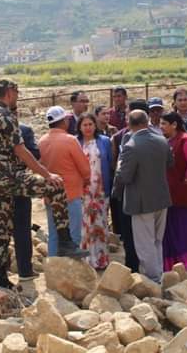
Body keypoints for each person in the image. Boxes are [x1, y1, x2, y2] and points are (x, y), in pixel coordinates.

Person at [0, 79, 87, 289]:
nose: (18, 96)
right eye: (17, 92)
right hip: (10, 175)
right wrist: (46, 174)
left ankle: (0, 277)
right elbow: (21, 151)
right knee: (56, 186)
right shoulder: (6, 116)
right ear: (10, 92)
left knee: (1, 227)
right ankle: (65, 241)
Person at [113, 110, 173, 282]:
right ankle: (159, 274)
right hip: (161, 197)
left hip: (141, 201)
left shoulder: (131, 146)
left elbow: (124, 177)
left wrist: (119, 167)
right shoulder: (162, 140)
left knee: (145, 243)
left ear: (129, 124)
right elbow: (170, 163)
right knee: (157, 240)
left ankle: (153, 278)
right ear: (147, 122)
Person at [0, 123, 41, 280]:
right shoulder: (24, 130)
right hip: (18, 184)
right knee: (22, 227)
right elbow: (35, 154)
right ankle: (25, 271)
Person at [39, 106, 91, 256]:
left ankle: (53, 269)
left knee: (54, 234)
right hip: (71, 193)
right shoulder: (70, 140)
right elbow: (85, 168)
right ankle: (70, 272)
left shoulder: (42, 141)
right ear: (64, 121)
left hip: (50, 194)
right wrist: (86, 180)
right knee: (72, 235)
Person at [160, 112, 187, 271]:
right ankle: (172, 264)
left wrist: (185, 181)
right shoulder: (167, 142)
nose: (161, 127)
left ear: (174, 125)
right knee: (172, 230)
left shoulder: (186, 140)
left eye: (164, 124)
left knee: (186, 229)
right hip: (171, 196)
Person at [109, 98, 149, 272]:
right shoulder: (119, 137)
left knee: (137, 231)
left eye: (128, 114)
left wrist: (116, 191)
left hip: (130, 191)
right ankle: (137, 264)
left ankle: (137, 265)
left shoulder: (126, 138)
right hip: (145, 192)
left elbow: (120, 167)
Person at [77, 113, 113, 269]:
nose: (88, 127)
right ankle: (87, 260)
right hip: (82, 191)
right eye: (84, 125)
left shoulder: (104, 141)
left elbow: (111, 163)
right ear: (79, 127)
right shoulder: (75, 142)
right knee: (85, 225)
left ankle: (101, 259)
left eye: (90, 124)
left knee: (100, 224)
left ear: (95, 125)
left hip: (100, 190)